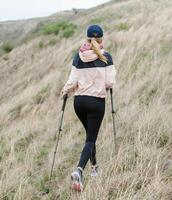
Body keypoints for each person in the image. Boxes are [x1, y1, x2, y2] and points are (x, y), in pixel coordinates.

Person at [62, 24, 116, 192]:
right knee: (91, 139)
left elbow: (72, 81)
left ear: (87, 38)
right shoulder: (106, 56)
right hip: (96, 103)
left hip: (79, 102)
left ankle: (94, 168)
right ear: (101, 38)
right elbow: (109, 82)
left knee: (89, 136)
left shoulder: (78, 57)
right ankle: (79, 170)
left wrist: (65, 92)